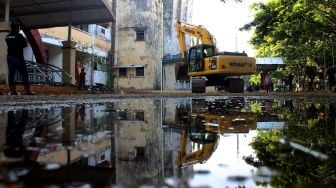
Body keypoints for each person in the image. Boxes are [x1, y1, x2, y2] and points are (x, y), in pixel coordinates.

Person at [5, 22, 33, 95]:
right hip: (18, 57)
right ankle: (27, 90)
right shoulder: (19, 36)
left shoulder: (7, 37)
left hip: (10, 57)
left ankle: (12, 91)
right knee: (24, 74)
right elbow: (25, 44)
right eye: (19, 27)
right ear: (17, 28)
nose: (19, 29)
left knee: (11, 74)